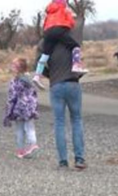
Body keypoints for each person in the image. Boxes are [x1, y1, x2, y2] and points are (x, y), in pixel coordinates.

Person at [38, 37, 87, 170]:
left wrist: (52, 75)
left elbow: (39, 66)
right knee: (76, 120)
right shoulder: (71, 41)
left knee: (59, 122)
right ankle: (79, 159)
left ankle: (63, 162)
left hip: (56, 85)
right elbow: (79, 65)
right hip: (72, 83)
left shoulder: (44, 42)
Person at [33, 0, 88, 90]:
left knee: (45, 54)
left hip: (48, 31)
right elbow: (71, 21)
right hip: (60, 29)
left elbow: (45, 23)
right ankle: (76, 65)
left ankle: (37, 76)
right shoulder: (64, 8)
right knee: (75, 46)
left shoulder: (50, 11)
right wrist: (71, 22)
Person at [3, 58, 40, 159]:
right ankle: (32, 144)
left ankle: (21, 150)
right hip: (30, 107)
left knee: (19, 129)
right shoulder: (29, 79)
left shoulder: (15, 81)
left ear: (17, 68)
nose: (12, 67)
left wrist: (8, 112)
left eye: (13, 65)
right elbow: (34, 93)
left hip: (18, 108)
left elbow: (12, 97)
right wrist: (34, 105)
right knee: (30, 127)